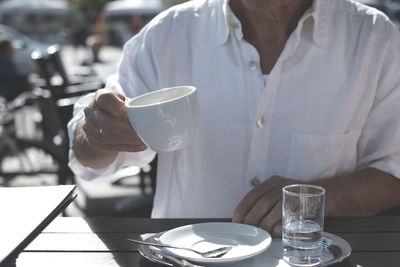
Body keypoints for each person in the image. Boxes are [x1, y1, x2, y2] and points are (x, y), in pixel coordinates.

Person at [68, 0, 400, 234]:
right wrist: (96, 133)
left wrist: (320, 197)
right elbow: (90, 159)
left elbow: (393, 173)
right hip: (184, 261)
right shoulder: (168, 34)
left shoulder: (373, 38)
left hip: (313, 258)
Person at [0, 37, 31, 101]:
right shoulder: (3, 61)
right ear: (6, 49)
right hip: (8, 92)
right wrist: (28, 78)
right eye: (11, 47)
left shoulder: (6, 59)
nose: (13, 49)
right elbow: (13, 77)